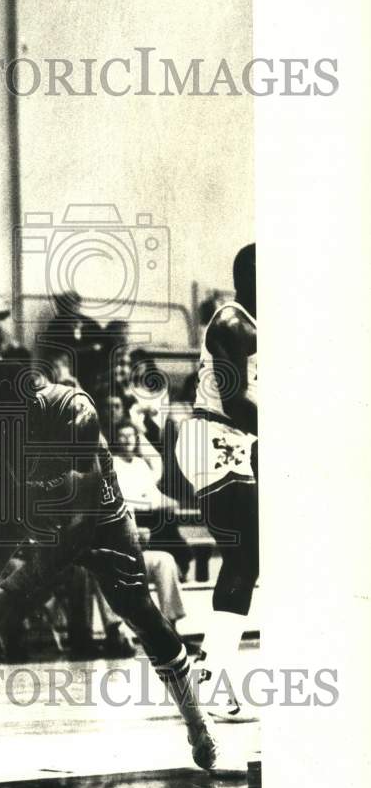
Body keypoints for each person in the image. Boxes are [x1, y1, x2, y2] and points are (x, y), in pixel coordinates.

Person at [0, 357, 241, 784]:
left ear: (32, 407)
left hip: (96, 517)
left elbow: (78, 528)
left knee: (142, 614)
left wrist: (10, 591)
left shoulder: (75, 413)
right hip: (19, 509)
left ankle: (199, 724)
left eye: (6, 424)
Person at [175, 244, 258, 722]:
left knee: (248, 558)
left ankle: (210, 673)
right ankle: (212, 677)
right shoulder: (232, 322)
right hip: (213, 432)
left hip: (237, 439)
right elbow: (235, 402)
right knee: (245, 555)